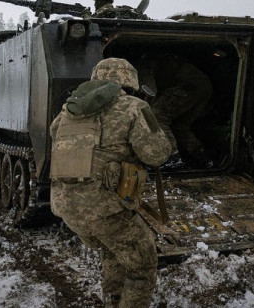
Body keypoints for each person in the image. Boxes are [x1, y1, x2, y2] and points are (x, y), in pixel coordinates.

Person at [49, 57, 171, 308]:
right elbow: (156, 154)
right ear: (129, 81)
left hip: (67, 207)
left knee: (114, 250)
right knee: (143, 264)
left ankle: (113, 301)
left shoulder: (68, 109)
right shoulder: (134, 107)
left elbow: (54, 134)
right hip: (105, 210)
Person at [136, 54, 214, 169]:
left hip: (188, 85)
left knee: (157, 114)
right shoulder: (158, 62)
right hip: (203, 85)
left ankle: (172, 157)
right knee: (180, 125)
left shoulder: (142, 65)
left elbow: (150, 92)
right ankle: (201, 158)